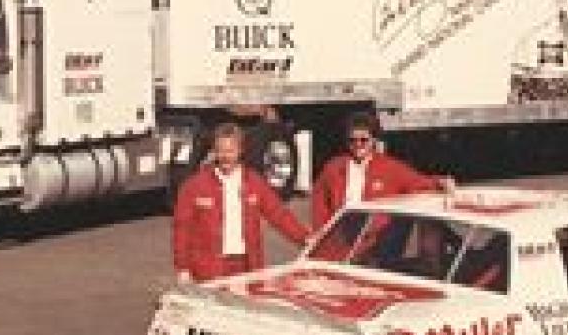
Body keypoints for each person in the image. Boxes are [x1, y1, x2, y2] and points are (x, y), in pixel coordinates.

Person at [173, 122, 309, 283]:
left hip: (247, 265)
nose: (225, 156)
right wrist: (183, 267)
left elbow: (278, 214)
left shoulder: (254, 182)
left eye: (230, 151)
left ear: (240, 150)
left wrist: (305, 238)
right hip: (209, 269)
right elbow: (182, 228)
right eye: (220, 151)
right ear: (214, 151)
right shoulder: (194, 186)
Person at [310, 112, 455, 231]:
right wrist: (321, 231)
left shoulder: (389, 167)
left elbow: (416, 182)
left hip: (373, 240)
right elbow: (319, 199)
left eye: (363, 140)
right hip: (340, 236)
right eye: (352, 140)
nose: (358, 144)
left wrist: (439, 182)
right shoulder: (334, 167)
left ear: (373, 140)